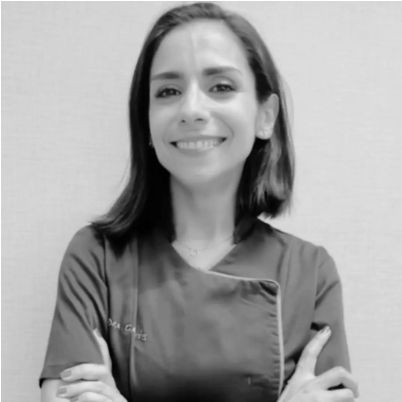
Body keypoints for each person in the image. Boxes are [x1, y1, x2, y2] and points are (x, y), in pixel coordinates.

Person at [40, 3, 359, 402]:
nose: (191, 109)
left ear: (265, 116)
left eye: (221, 87)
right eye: (168, 91)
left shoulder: (309, 273)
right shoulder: (96, 258)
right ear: (147, 122)